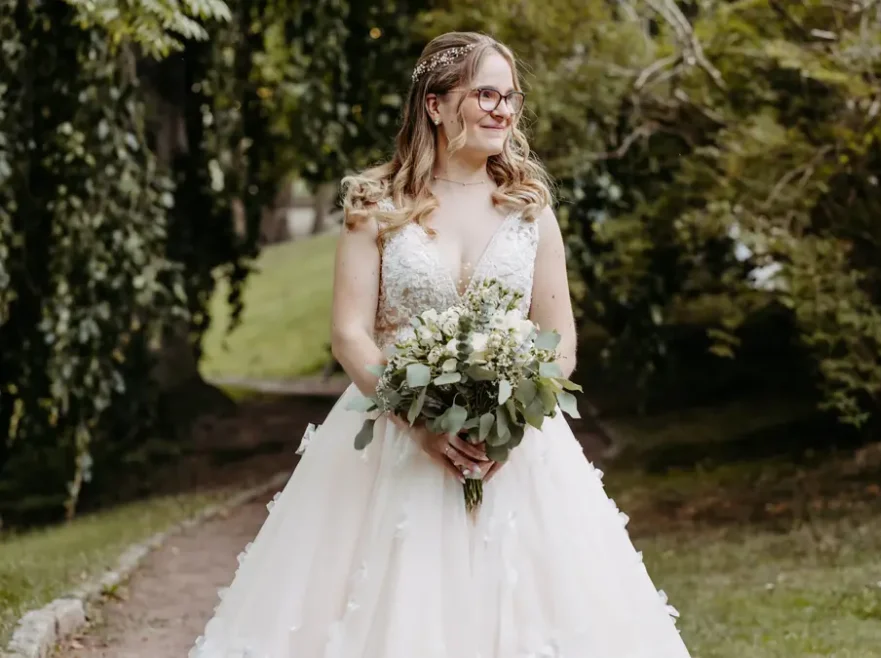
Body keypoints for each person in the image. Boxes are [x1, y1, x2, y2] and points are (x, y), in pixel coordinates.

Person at [189, 31, 690, 658]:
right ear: (434, 104)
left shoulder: (530, 208)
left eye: (510, 97)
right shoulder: (375, 204)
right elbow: (349, 333)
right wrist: (417, 418)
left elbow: (558, 342)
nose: (503, 109)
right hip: (392, 444)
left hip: (519, 453)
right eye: (485, 93)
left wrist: (513, 420)